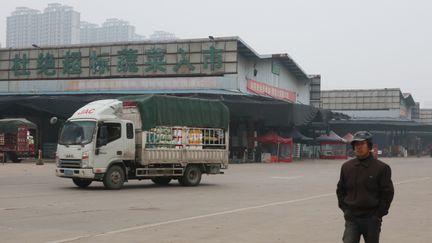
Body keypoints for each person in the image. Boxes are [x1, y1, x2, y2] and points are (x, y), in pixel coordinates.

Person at [336, 131, 394, 243]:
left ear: (369, 146)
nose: (359, 147)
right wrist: (346, 210)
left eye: (362, 144)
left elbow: (387, 194)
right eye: (356, 144)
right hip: (352, 218)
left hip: (372, 219)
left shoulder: (382, 168)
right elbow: (340, 190)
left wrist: (378, 214)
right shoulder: (347, 167)